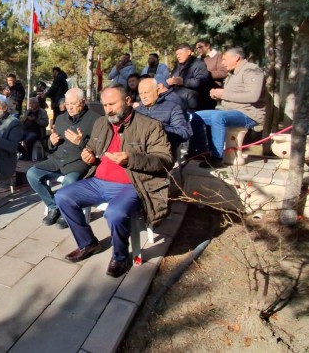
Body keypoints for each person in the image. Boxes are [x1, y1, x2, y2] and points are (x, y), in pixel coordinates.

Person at [54, 84, 172, 278]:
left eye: (112, 104)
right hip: (98, 181)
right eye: (104, 104)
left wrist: (131, 159)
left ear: (127, 101)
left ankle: (120, 256)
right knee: (63, 196)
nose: (108, 109)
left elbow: (165, 160)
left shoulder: (150, 126)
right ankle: (87, 243)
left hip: (131, 184)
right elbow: (92, 146)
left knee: (114, 213)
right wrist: (88, 154)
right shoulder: (102, 122)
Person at [27, 88, 100, 228]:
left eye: (73, 103)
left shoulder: (96, 119)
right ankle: (54, 206)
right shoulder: (61, 118)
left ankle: (67, 211)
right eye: (67, 104)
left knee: (69, 181)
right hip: (57, 159)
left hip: (77, 161)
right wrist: (51, 142)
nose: (70, 107)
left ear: (83, 102)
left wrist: (81, 142)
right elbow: (50, 144)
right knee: (32, 174)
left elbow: (99, 147)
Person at [188, 47, 266, 167]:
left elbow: (253, 96)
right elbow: (234, 94)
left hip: (249, 114)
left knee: (217, 117)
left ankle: (216, 157)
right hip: (231, 111)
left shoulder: (252, 70)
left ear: (236, 58)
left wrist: (224, 94)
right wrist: (218, 94)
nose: (223, 63)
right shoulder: (232, 73)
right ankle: (202, 152)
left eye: (225, 59)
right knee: (195, 117)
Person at [135, 78, 191, 154]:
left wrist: (160, 128)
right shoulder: (137, 111)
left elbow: (184, 133)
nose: (143, 97)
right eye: (141, 93)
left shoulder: (172, 107)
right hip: (138, 150)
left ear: (157, 90)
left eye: (146, 92)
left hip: (162, 151)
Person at [168, 43, 212, 112]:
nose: (178, 56)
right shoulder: (177, 65)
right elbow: (173, 78)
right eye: (177, 54)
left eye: (180, 54)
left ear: (188, 52)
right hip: (177, 100)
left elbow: (202, 82)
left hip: (194, 103)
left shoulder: (199, 64)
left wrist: (183, 81)